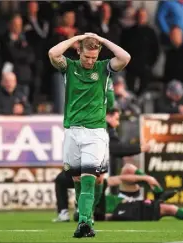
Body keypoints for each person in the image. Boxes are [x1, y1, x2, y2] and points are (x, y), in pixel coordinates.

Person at [48, 32, 131, 238]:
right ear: (79, 51)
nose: (90, 61)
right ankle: (85, 216)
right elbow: (52, 53)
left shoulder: (103, 69)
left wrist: (102, 41)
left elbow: (125, 57)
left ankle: (84, 222)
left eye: (94, 57)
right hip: (72, 131)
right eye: (87, 57)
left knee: (88, 178)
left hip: (95, 132)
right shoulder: (70, 67)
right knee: (76, 178)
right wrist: (76, 37)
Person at [53, 108, 152, 222]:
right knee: (68, 180)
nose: (118, 122)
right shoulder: (103, 128)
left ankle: (72, 211)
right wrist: (140, 148)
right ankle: (83, 210)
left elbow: (115, 148)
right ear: (108, 117)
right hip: (93, 171)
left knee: (64, 180)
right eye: (116, 119)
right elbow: (116, 148)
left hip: (93, 172)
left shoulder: (103, 128)